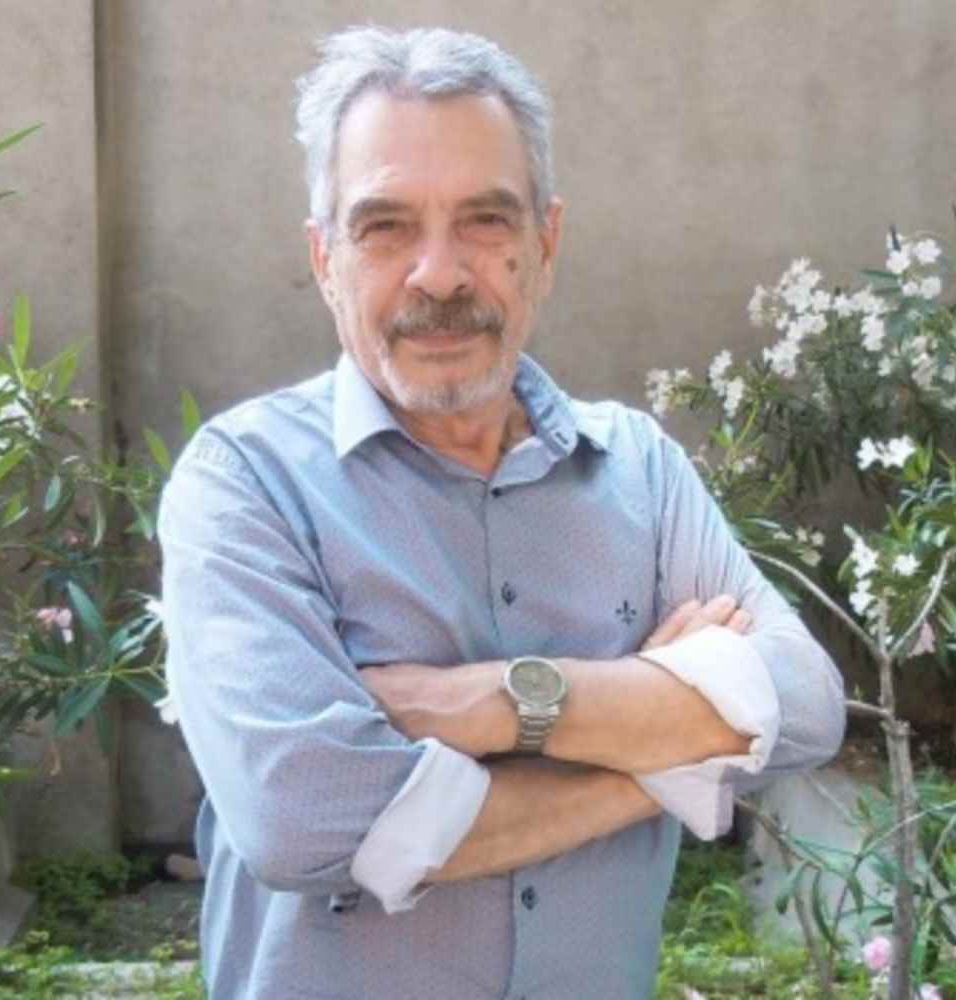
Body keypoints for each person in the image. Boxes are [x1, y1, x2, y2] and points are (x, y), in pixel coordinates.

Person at [159, 25, 845, 1000]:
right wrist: (664, 753)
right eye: (385, 226)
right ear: (324, 259)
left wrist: (498, 702)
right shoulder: (245, 483)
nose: (438, 275)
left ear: (544, 244)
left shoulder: (640, 470)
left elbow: (806, 706)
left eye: (484, 220)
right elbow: (307, 821)